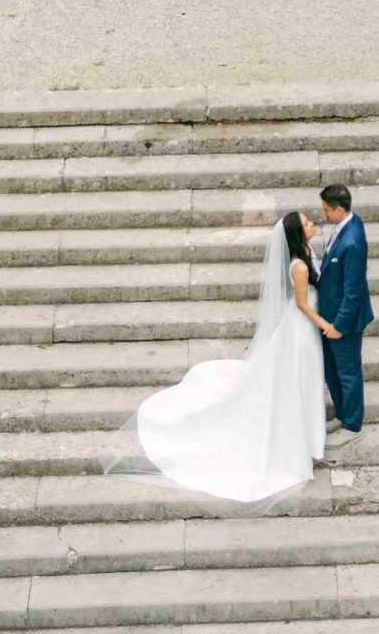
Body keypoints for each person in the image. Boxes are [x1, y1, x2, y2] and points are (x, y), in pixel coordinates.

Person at [131, 207, 326, 501]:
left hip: (300, 328)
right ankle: (299, 437)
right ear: (298, 234)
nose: (313, 224)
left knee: (300, 378)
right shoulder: (298, 266)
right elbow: (301, 304)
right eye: (307, 223)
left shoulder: (307, 254)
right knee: (297, 378)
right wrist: (326, 325)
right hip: (301, 330)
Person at [310, 181, 371, 437]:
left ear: (339, 209)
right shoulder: (344, 228)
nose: (324, 213)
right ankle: (343, 414)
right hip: (329, 317)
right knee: (332, 370)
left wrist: (339, 326)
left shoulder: (353, 242)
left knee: (347, 373)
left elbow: (353, 290)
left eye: (326, 209)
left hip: (342, 322)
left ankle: (353, 424)